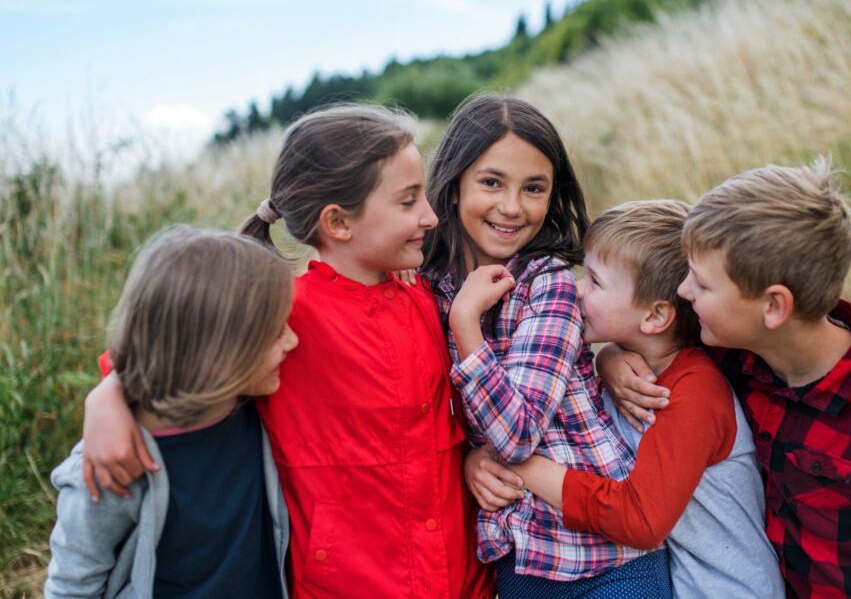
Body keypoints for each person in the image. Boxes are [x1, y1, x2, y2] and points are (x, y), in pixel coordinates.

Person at [80, 106, 494, 598]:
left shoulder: (427, 296)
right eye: (408, 202)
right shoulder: (287, 313)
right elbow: (170, 352)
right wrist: (106, 398)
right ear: (338, 222)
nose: (430, 215)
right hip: (346, 585)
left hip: (462, 579)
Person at [601, 159, 851, 597]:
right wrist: (610, 358)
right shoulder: (736, 356)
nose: (684, 292)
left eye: (702, 285)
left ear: (774, 307)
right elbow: (653, 342)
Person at [420, 94, 671, 598]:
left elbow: (517, 436)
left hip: (606, 557)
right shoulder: (425, 289)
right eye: (491, 182)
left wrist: (466, 323)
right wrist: (470, 458)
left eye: (533, 188)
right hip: (518, 557)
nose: (512, 207)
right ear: (452, 187)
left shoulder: (547, 283)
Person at [485, 199, 785, 598]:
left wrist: (519, 465)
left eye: (595, 281)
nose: (575, 289)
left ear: (656, 317)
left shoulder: (695, 392)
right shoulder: (634, 372)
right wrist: (608, 356)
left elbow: (640, 519)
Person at [46, 226, 296, 598]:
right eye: (276, 332)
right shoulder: (110, 470)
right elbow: (72, 586)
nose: (294, 340)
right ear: (217, 353)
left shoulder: (250, 405)